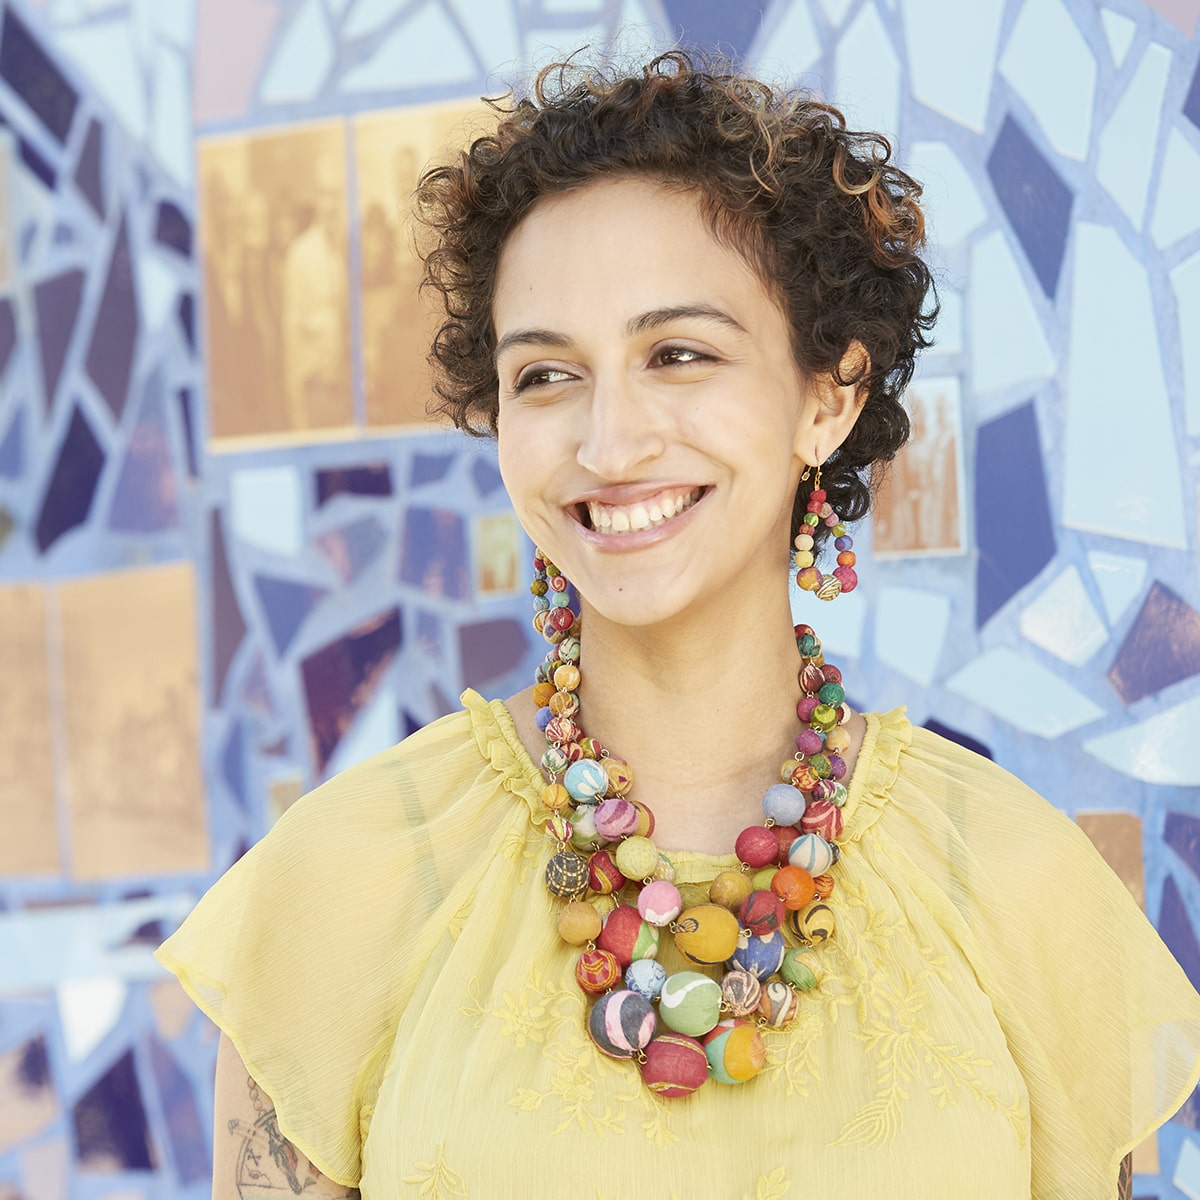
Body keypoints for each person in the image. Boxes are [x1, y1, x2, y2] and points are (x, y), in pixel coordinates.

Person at [156, 52, 1200, 1198]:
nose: (609, 443)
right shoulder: (346, 885)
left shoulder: (1014, 887)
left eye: (678, 355)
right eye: (546, 376)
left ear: (827, 396)